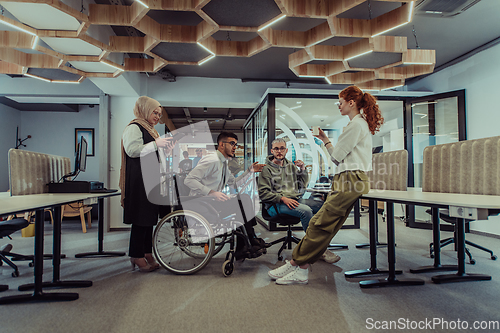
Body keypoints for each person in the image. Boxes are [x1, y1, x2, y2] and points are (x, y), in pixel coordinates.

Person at [268, 85, 384, 285]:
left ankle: (298, 265)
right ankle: (298, 265)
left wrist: (328, 143)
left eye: (340, 102)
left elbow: (337, 157)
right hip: (350, 179)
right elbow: (338, 156)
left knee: (319, 224)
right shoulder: (358, 124)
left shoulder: (356, 125)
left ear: (351, 103)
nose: (338, 106)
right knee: (324, 226)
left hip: (350, 179)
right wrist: (325, 140)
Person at [184, 131, 266, 259]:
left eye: (236, 144)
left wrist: (250, 171)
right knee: (242, 200)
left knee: (243, 199)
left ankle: (248, 241)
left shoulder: (222, 163)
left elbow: (234, 182)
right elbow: (189, 180)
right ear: (221, 144)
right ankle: (248, 240)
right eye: (232, 143)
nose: (235, 147)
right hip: (201, 203)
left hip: (212, 202)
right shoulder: (211, 160)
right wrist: (212, 193)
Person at [258, 138, 339, 263]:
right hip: (276, 205)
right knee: (305, 211)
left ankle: (319, 244)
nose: (279, 151)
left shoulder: (291, 165)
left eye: (282, 148)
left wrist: (302, 170)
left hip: (294, 200)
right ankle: (317, 250)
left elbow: (302, 186)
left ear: (286, 150)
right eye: (276, 149)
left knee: (324, 207)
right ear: (272, 150)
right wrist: (283, 198)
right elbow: (263, 193)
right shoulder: (266, 169)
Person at [119, 96, 175, 272]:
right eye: (155, 112)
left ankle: (146, 252)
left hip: (150, 180)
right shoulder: (134, 127)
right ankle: (136, 255)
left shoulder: (151, 131)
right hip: (139, 181)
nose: (158, 117)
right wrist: (156, 144)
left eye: (159, 114)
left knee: (149, 219)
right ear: (144, 110)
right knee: (140, 219)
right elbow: (133, 150)